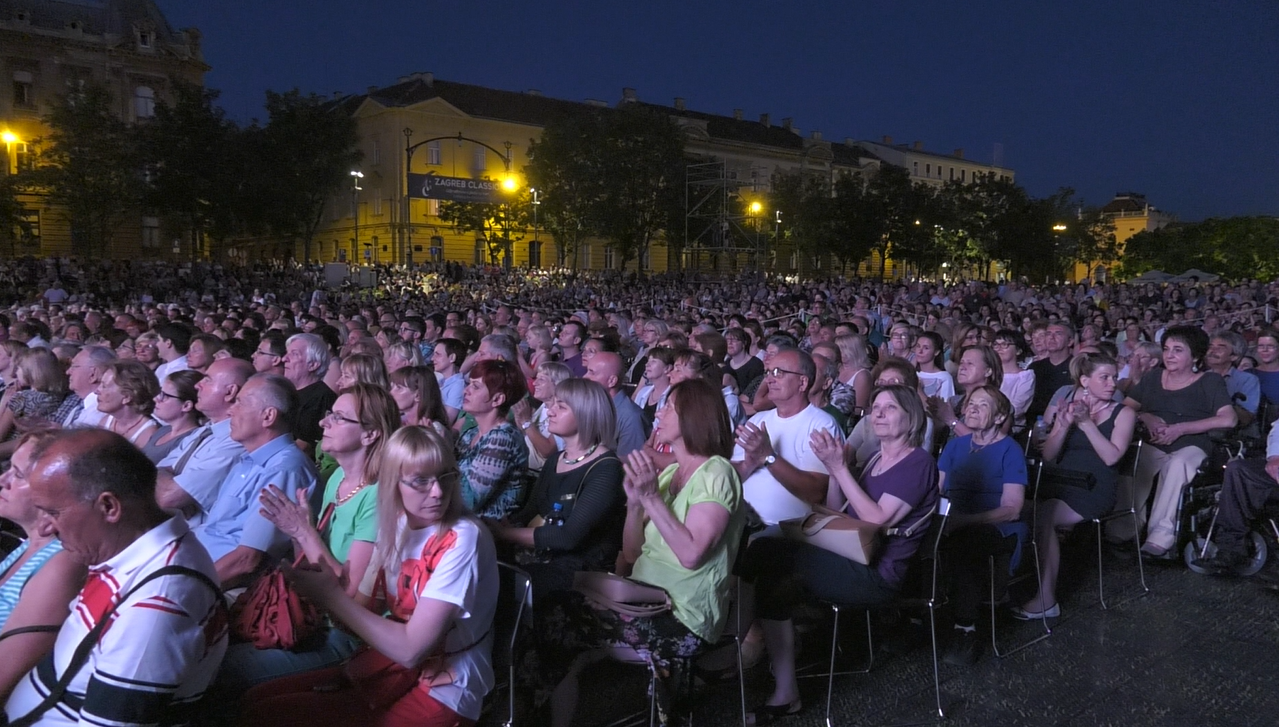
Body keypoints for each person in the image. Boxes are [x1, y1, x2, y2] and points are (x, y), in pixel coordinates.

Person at [239, 427, 499, 727]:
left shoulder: (463, 536)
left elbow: (411, 650)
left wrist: (330, 596)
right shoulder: (398, 523)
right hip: (386, 668)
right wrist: (307, 546)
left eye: (446, 477)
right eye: (421, 481)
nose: (438, 492)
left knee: (267, 714)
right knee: (257, 701)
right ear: (392, 484)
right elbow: (359, 610)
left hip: (444, 688)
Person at [531, 379, 744, 727]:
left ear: (694, 416)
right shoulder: (673, 471)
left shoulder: (717, 472)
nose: (659, 412)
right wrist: (634, 504)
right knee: (550, 604)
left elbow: (692, 555)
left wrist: (651, 499)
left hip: (683, 615)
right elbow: (630, 553)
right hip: (643, 596)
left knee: (556, 620)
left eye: (670, 407)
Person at [4, 429, 227, 727]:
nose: (46, 529)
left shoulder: (157, 605)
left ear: (109, 507)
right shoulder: (130, 557)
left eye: (53, 513)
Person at [741, 385, 939, 721]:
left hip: (877, 576)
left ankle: (740, 647)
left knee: (769, 555)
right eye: (875, 407)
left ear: (912, 417)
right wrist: (835, 469)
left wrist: (841, 468)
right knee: (768, 566)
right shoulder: (877, 458)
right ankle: (779, 682)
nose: (877, 414)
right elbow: (835, 511)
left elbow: (876, 520)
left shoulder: (918, 463)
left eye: (889, 408)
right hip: (849, 557)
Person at [213, 383, 399, 696]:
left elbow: (350, 593)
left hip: (345, 634)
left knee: (224, 669)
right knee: (204, 642)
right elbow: (311, 563)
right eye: (329, 415)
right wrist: (298, 532)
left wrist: (303, 531)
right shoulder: (338, 478)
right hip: (309, 614)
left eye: (339, 418)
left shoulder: (377, 498)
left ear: (370, 434)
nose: (323, 422)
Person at [1015, 354, 1135, 620]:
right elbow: (1048, 455)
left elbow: (1112, 457)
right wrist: (1065, 423)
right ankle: (1011, 582)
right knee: (1017, 507)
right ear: (1085, 380)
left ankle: (1047, 599)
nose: (1112, 383)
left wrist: (1086, 424)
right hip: (1060, 480)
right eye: (1104, 377)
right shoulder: (1071, 406)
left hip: (1094, 488)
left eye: (1114, 377)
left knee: (1044, 516)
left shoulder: (1123, 413)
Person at [489, 378, 625, 600]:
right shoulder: (556, 459)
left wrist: (505, 534)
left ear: (586, 415)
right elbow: (530, 511)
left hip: (581, 570)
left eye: (561, 407)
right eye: (552, 404)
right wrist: (497, 526)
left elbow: (569, 537)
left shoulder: (606, 468)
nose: (550, 412)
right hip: (546, 556)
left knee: (499, 585)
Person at [1111, 326, 1236, 556]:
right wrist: (1145, 416)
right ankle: (1125, 528)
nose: (1169, 355)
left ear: (1196, 356)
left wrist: (1180, 429)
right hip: (1153, 440)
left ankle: (1161, 536)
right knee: (1135, 459)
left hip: (1192, 443)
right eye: (1167, 349)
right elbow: (1126, 407)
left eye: (1178, 350)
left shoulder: (1209, 381)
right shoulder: (1153, 377)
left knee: (1178, 465)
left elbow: (1228, 419)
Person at [191, 373, 319, 587]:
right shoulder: (248, 461)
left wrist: (189, 588)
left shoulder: (284, 471)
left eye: (240, 402)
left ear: (268, 416)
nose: (231, 410)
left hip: (221, 587)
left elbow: (248, 560)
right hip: (198, 566)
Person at [936, 385, 1028, 666]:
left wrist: (963, 521)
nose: (972, 408)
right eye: (970, 403)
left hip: (996, 524)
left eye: (983, 405)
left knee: (967, 544)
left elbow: (1012, 509)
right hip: (955, 517)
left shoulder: (1009, 450)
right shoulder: (955, 445)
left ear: (1000, 417)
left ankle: (966, 629)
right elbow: (938, 490)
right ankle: (914, 616)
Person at [0, 433, 86, 704]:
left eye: (18, 474)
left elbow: (5, 677)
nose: (3, 481)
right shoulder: (29, 545)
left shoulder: (62, 563)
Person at [732, 348, 844, 528]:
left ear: (802, 382)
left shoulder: (821, 425)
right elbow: (729, 476)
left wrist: (769, 457)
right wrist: (748, 464)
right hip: (738, 520)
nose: (769, 379)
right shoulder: (758, 419)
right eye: (768, 372)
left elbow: (816, 493)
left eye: (778, 373)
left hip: (781, 531)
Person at [154, 358, 254, 524]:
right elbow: (153, 473)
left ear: (230, 392)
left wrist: (169, 478)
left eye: (207, 380)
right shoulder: (202, 432)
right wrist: (165, 476)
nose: (197, 385)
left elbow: (168, 497)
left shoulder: (234, 442)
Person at [456, 359, 528, 519]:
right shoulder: (472, 433)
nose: (466, 391)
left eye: (475, 387)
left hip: (489, 529)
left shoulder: (502, 438)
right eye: (469, 384)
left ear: (497, 399)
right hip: (463, 520)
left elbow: (469, 501)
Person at [584, 351, 650, 458]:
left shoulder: (630, 417)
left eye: (592, 372)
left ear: (612, 381)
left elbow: (630, 465)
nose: (584, 377)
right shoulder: (593, 406)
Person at [284, 333, 337, 458]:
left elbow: (303, 446)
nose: (284, 358)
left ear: (313, 364)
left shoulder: (321, 398)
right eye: (287, 353)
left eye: (294, 354)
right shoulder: (286, 392)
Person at [511, 361, 572, 470]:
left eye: (542, 379)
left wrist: (526, 421)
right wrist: (519, 418)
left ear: (557, 384)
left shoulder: (564, 413)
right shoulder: (544, 406)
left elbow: (547, 451)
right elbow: (529, 434)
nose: (534, 383)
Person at [142, 369, 205, 464]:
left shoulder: (190, 440)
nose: (156, 399)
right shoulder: (163, 430)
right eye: (160, 393)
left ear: (186, 406)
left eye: (165, 396)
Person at [96, 360, 161, 446]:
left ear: (127, 397)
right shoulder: (106, 422)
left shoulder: (149, 434)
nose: (96, 391)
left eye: (104, 386)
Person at [1028, 322, 1074, 422]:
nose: (1051, 338)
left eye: (1058, 334)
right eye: (1048, 334)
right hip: (1035, 423)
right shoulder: (1035, 367)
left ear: (1070, 341)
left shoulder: (1077, 367)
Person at [389, 365, 451, 436]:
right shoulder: (399, 422)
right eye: (392, 387)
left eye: (399, 388)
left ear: (418, 395)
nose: (390, 393)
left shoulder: (435, 430)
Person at [992, 329, 1035, 430]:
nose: (998, 348)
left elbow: (1017, 409)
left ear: (1018, 350)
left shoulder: (1025, 376)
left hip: (1012, 428)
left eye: (1004, 344)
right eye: (996, 344)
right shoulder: (988, 373)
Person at [632, 347, 676, 425]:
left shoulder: (673, 396)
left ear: (667, 368)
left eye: (653, 361)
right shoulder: (643, 392)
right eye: (648, 361)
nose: (647, 364)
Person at [432, 337, 467, 424]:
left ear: (452, 358)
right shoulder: (440, 381)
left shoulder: (458, 386)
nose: (432, 358)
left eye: (438, 354)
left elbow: (447, 420)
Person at [914, 331, 955, 401]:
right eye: (918, 346)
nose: (920, 351)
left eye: (926, 348)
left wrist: (919, 390)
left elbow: (944, 408)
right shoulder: (911, 373)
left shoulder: (944, 378)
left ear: (936, 352)